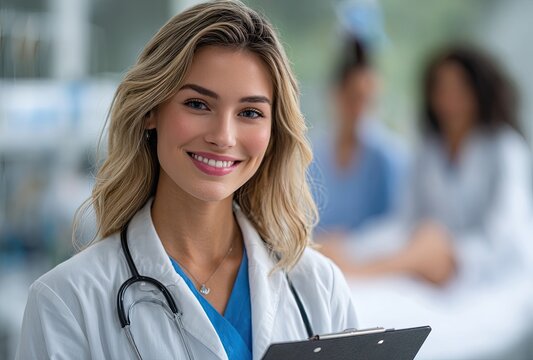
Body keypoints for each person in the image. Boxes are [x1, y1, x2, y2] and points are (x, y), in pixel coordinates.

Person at [16, 1, 358, 359]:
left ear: (274, 131)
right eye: (198, 104)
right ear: (151, 110)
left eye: (250, 112)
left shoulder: (319, 286)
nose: (223, 136)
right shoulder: (67, 302)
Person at [321, 45, 533, 286]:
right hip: (424, 254)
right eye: (441, 89)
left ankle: (359, 274)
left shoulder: (504, 149)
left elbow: (504, 233)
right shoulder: (427, 153)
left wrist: (450, 251)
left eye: (459, 89)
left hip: (481, 263)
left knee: (430, 239)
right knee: (336, 245)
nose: (448, 99)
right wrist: (354, 245)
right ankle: (354, 266)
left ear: (478, 93)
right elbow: (404, 221)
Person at [311, 36, 405, 236]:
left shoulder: (387, 156)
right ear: (336, 94)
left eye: (368, 100)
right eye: (354, 98)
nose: (360, 109)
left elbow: (395, 223)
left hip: (369, 258)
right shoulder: (313, 153)